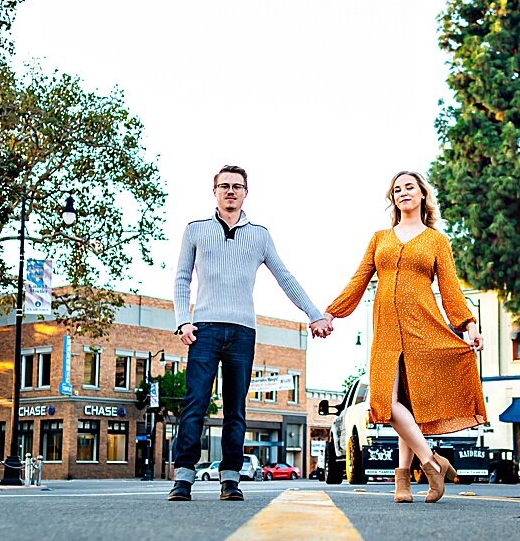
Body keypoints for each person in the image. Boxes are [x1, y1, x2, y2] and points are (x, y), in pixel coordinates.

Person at [169, 164, 333, 502]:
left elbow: (285, 277)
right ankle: (183, 479)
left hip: (243, 332)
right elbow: (182, 278)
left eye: (237, 186)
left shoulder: (260, 235)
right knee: (195, 403)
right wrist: (182, 321)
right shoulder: (195, 230)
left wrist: (315, 315)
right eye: (224, 186)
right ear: (214, 191)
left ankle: (230, 479)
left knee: (235, 409)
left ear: (246, 193)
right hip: (204, 329)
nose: (231, 191)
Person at [323, 170, 486, 503]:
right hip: (385, 330)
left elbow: (450, 289)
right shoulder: (380, 238)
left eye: (409, 187)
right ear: (393, 198)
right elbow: (359, 280)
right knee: (385, 400)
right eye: (397, 189)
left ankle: (402, 483)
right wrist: (332, 312)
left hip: (423, 327)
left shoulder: (437, 240)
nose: (403, 193)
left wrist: (468, 325)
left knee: (408, 406)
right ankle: (431, 461)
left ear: (422, 194)